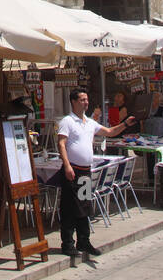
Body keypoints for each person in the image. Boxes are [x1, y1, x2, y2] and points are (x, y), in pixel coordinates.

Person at [57, 89, 136, 264]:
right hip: (73, 171)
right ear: (73, 102)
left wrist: (125, 124)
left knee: (84, 205)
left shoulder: (89, 122)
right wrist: (67, 165)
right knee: (69, 207)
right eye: (82, 100)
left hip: (85, 171)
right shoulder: (67, 121)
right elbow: (61, 144)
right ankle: (67, 242)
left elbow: (109, 132)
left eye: (86, 99)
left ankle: (83, 240)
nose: (86, 102)